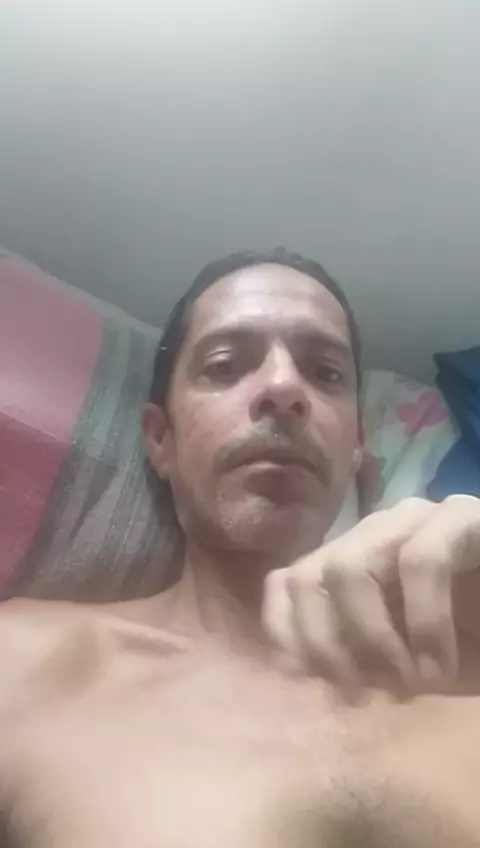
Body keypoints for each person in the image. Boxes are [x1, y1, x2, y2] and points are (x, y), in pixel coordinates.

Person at [2, 248, 480, 848]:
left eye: (325, 373)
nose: (284, 388)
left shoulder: (464, 661)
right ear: (160, 439)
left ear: (357, 445)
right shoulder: (28, 665)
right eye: (225, 365)